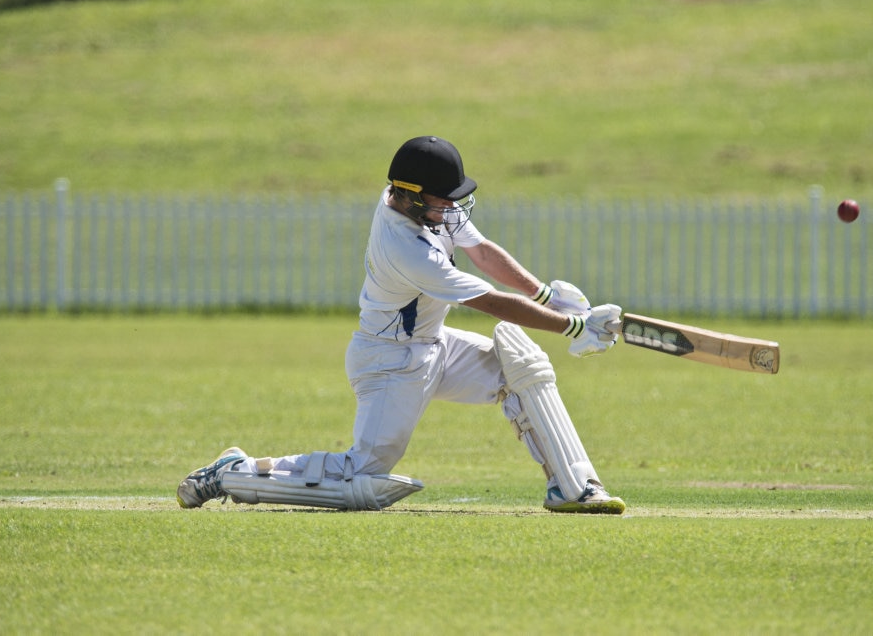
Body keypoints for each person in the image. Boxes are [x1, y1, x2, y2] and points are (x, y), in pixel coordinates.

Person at [176, 135, 625, 514]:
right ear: (410, 195)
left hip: (434, 345)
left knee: (523, 367)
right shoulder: (406, 248)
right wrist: (572, 326)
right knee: (361, 479)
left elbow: (483, 251)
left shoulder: (424, 207)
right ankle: (236, 473)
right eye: (442, 198)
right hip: (389, 361)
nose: (452, 207)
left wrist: (545, 295)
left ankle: (573, 488)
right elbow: (489, 302)